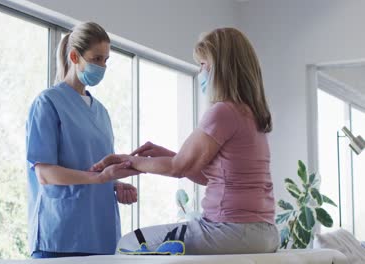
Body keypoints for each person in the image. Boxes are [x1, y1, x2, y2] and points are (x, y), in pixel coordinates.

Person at [91, 27, 279, 255]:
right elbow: (205, 175)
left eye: (202, 64)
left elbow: (178, 168)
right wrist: (167, 155)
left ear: (221, 68)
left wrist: (127, 160)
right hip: (264, 232)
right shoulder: (251, 115)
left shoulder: (223, 112)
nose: (199, 72)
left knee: (128, 244)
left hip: (230, 230)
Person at [25, 22, 139, 259]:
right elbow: (45, 174)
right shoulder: (47, 103)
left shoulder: (102, 112)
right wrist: (100, 178)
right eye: (97, 58)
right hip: (60, 238)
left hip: (101, 236)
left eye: (106, 60)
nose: (102, 66)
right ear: (74, 56)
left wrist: (115, 186)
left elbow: (95, 169)